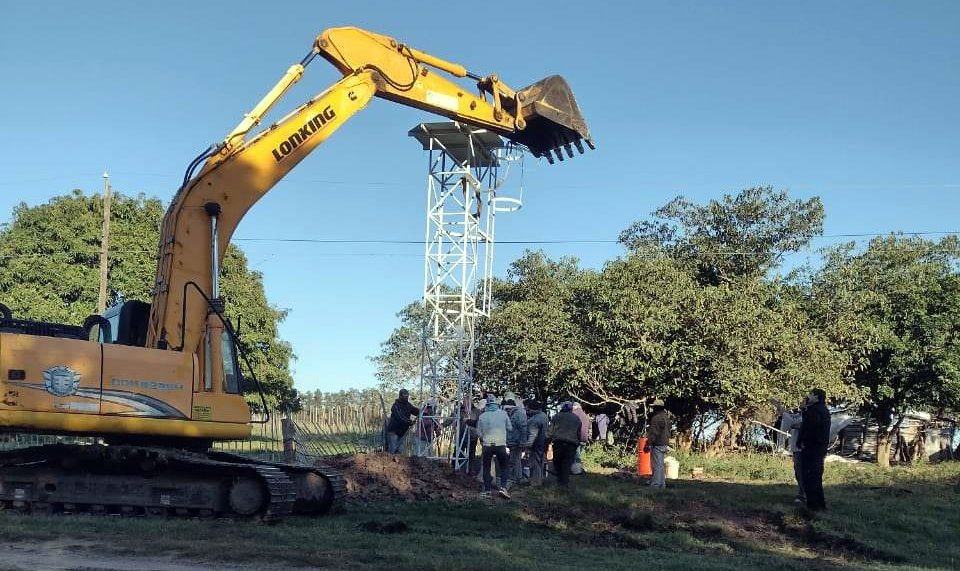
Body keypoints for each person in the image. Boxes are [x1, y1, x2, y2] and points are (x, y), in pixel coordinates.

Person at [798, 388, 830, 511]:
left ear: (816, 397)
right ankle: (820, 504)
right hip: (820, 447)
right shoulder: (825, 410)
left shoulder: (814, 410)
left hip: (811, 447)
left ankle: (813, 505)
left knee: (809, 476)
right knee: (817, 475)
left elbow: (809, 428)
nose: (809, 396)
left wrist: (801, 441)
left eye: (811, 394)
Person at [476, 395, 513, 499]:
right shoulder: (503, 414)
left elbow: (478, 431)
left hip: (487, 445)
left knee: (486, 467)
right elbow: (510, 428)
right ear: (496, 404)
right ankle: (503, 488)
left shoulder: (482, 416)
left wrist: (483, 437)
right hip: (501, 444)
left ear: (487, 405)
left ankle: (487, 490)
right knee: (504, 466)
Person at [773, 398, 807, 504]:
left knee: (804, 471)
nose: (800, 403)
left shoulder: (810, 414)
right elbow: (788, 417)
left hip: (805, 447)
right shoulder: (798, 415)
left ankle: (805, 495)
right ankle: (802, 493)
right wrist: (778, 406)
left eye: (802, 402)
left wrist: (799, 426)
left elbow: (809, 424)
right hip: (796, 448)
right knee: (798, 472)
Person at [548, 401, 582, 487]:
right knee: (567, 464)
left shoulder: (556, 417)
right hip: (571, 444)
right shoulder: (576, 418)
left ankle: (559, 480)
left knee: (557, 462)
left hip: (558, 443)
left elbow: (550, 431)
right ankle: (564, 483)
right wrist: (577, 442)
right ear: (571, 409)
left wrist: (548, 441)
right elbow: (578, 432)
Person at [503, 395, 529, 488]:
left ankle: (518, 478)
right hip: (512, 442)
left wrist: (522, 442)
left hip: (517, 442)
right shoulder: (513, 414)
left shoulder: (519, 415)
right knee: (513, 461)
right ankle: (515, 478)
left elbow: (523, 429)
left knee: (516, 461)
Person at [645, 399, 671, 489]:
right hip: (664, 443)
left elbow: (653, 433)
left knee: (656, 466)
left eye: (654, 407)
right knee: (660, 465)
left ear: (657, 407)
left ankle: (655, 485)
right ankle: (662, 485)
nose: (653, 409)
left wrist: (648, 443)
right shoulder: (666, 418)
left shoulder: (656, 418)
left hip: (657, 444)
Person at [385, 389, 420, 454]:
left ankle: (398, 463)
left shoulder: (408, 405)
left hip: (402, 432)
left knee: (400, 451)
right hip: (394, 431)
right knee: (393, 450)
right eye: (405, 395)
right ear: (400, 396)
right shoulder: (396, 405)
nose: (407, 396)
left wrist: (423, 412)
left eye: (407, 395)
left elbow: (415, 411)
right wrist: (409, 422)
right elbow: (400, 417)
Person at [524, 400, 549, 486]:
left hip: (536, 444)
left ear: (533, 410)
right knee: (540, 463)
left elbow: (532, 435)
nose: (527, 412)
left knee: (535, 464)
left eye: (528, 410)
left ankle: (535, 483)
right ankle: (539, 480)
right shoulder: (544, 416)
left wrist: (527, 446)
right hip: (543, 443)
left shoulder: (535, 420)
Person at [570, 402, 590, 474]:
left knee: (576, 457)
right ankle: (579, 469)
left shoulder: (573, 414)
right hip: (584, 438)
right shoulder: (585, 415)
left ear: (574, 407)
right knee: (580, 456)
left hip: (577, 438)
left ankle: (576, 471)